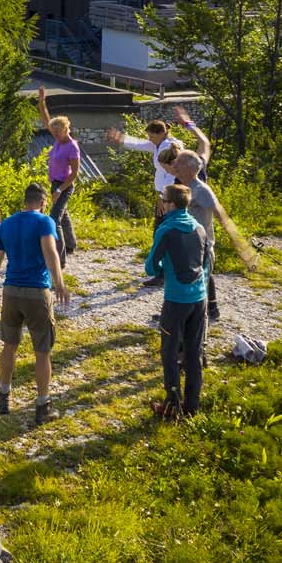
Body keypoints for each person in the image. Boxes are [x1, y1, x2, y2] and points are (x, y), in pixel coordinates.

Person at [0, 182, 71, 425]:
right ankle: (43, 406)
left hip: (10, 292)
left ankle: (3, 397)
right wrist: (59, 283)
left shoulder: (7, 224)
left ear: (25, 200)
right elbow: (51, 253)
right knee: (42, 351)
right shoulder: (45, 222)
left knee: (9, 346)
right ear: (43, 202)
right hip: (37, 292)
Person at [144, 184, 211, 418]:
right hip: (199, 298)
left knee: (169, 352)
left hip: (175, 299)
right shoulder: (199, 228)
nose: (161, 202)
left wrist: (164, 268)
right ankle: (192, 405)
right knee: (194, 351)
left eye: (163, 199)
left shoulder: (166, 228)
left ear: (170, 204)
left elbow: (150, 265)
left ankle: (172, 404)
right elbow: (206, 263)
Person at [105, 118, 183, 286]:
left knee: (161, 234)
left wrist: (165, 198)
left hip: (169, 198)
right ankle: (167, 271)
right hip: (163, 196)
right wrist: (120, 137)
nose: (149, 139)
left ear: (161, 133)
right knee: (162, 233)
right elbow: (139, 144)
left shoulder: (170, 147)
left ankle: (163, 273)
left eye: (151, 136)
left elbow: (172, 175)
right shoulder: (157, 144)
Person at [170, 148, 224, 322]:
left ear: (191, 169)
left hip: (201, 245)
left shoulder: (201, 190)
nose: (175, 165)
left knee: (199, 281)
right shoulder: (182, 187)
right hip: (184, 243)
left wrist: (238, 241)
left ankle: (202, 319)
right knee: (185, 280)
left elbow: (220, 214)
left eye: (179, 163)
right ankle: (185, 314)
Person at [37, 86, 82, 263]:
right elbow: (45, 118)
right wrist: (42, 101)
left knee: (54, 219)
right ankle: (71, 244)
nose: (55, 135)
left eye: (57, 132)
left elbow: (75, 174)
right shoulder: (58, 139)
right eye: (53, 132)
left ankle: (59, 259)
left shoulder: (72, 147)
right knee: (64, 214)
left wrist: (59, 190)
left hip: (65, 185)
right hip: (55, 182)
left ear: (66, 129)